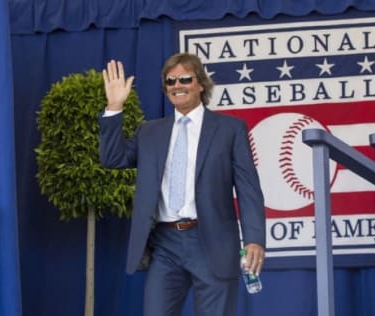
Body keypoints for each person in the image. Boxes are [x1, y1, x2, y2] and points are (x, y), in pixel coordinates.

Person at [98, 52, 266, 316]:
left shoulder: (230, 129)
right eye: (170, 81)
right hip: (165, 243)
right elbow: (112, 159)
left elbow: (248, 190)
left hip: (211, 241)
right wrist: (114, 107)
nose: (177, 86)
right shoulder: (149, 132)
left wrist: (255, 239)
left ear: (200, 83)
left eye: (185, 79)